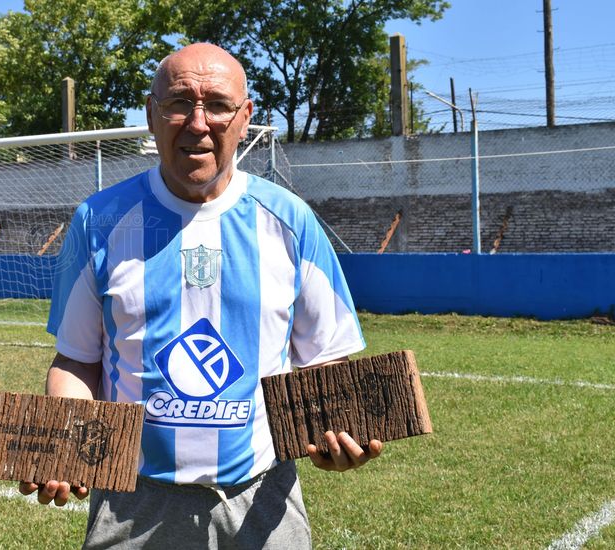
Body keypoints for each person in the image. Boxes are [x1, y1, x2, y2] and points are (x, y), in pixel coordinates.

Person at [20, 42, 382, 549]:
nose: (197, 123)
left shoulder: (290, 220)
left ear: (245, 117)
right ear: (151, 115)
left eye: (216, 104)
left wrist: (341, 429)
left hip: (260, 496)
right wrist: (66, 442)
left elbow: (327, 359)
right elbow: (77, 361)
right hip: (132, 501)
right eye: (177, 103)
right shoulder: (98, 221)